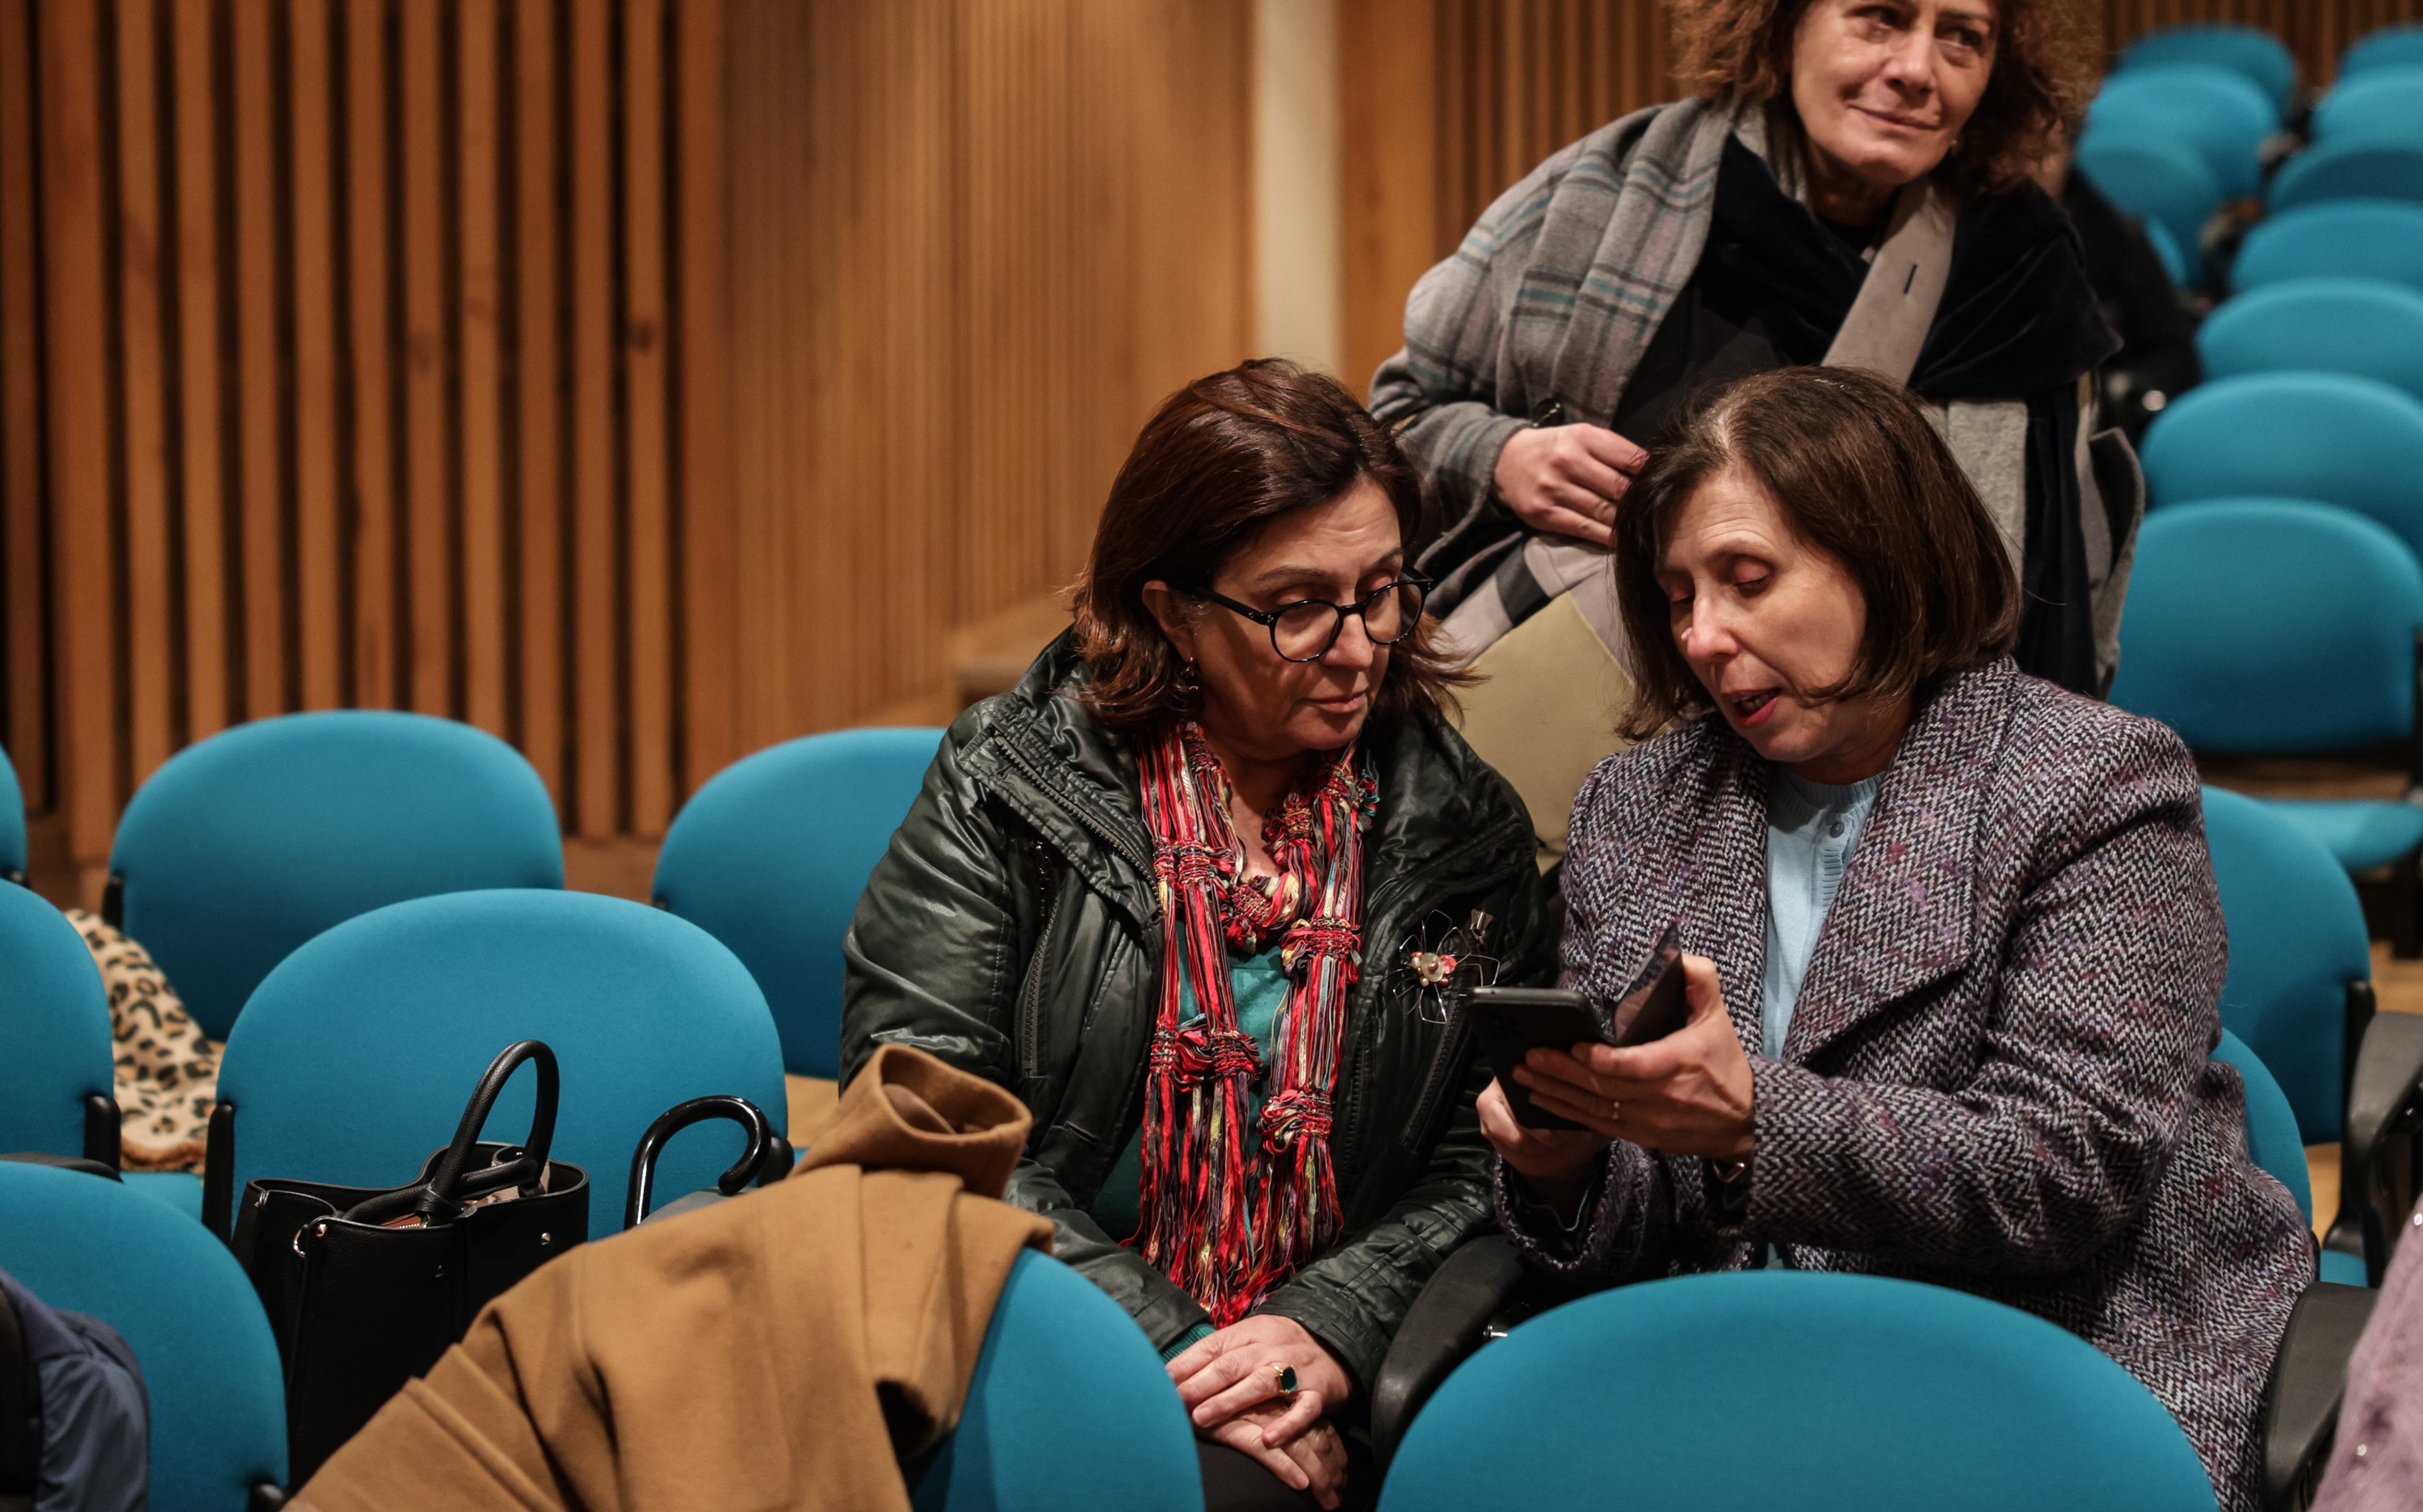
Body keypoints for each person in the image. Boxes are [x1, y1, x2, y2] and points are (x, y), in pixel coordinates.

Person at [1478, 366, 2309, 1511]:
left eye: (1749, 580)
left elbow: (2065, 1166)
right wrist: (1570, 1165)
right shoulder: (1639, 804)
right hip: (1737, 1361)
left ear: (1886, 557)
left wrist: (1754, 1121)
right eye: (1678, 598)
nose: (1707, 637)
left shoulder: (2095, 785)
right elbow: (1644, 1208)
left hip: (2052, 1347)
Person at [842, 360, 1556, 1510]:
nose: (1359, 644)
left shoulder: (1458, 827)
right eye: (1294, 607)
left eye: (1380, 589)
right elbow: (924, 1116)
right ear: (1169, 609)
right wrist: (1178, 1349)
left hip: (1333, 1362)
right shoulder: (1014, 779)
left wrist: (1325, 1325)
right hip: (1037, 1320)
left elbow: (1493, 1156)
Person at [1371, 0, 2131, 864]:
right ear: (1781, 26)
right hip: (1587, 774)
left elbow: (2050, 588)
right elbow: (1397, 419)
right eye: (1879, 19)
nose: (1919, 68)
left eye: (1963, 36)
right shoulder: (1604, 195)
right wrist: (1499, 457)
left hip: (1900, 818)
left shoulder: (2022, 272)